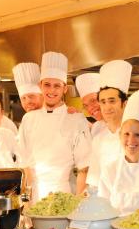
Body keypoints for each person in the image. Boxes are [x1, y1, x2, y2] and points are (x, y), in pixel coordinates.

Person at [18, 51, 91, 200]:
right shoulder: (28, 119)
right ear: (40, 86)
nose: (51, 90)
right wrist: (25, 202)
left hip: (63, 195)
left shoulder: (76, 119)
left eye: (57, 86)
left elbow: (84, 167)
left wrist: (78, 203)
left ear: (64, 89)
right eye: (47, 85)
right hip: (33, 195)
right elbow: (24, 165)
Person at [87, 60, 130, 187]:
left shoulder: (138, 136)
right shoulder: (99, 139)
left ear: (124, 103)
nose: (107, 107)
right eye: (103, 102)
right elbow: (93, 181)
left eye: (112, 101)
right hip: (103, 204)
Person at [75, 72, 104, 137]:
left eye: (93, 100)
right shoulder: (97, 127)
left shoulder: (124, 126)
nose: (89, 108)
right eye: (85, 105)